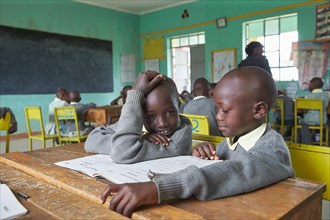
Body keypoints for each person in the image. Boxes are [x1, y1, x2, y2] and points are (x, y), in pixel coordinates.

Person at [100, 66, 294, 217]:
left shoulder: (272, 151)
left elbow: (238, 171)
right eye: (216, 109)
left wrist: (158, 188)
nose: (217, 117)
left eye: (224, 110)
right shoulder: (231, 141)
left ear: (259, 110)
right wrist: (203, 152)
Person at [84, 71, 192, 163]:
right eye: (151, 116)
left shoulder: (177, 142)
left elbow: (122, 152)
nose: (162, 123)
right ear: (139, 113)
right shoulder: (141, 124)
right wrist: (137, 140)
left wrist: (130, 144)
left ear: (178, 106)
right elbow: (91, 140)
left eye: (169, 112)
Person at [299, 77, 330, 144]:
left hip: (309, 120)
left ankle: (305, 143)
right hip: (323, 121)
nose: (309, 86)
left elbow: (305, 110)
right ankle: (317, 137)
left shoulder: (308, 96)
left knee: (301, 123)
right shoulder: (327, 94)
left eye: (310, 84)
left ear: (314, 85)